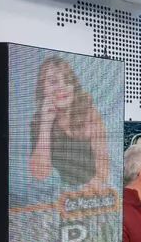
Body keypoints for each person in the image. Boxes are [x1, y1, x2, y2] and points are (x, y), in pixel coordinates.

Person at [28, 55, 110, 190]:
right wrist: (45, 125)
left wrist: (91, 188)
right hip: (59, 192)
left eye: (67, 80)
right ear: (42, 89)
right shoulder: (38, 122)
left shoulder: (89, 114)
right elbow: (40, 174)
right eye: (53, 81)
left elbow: (103, 161)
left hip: (93, 189)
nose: (62, 86)